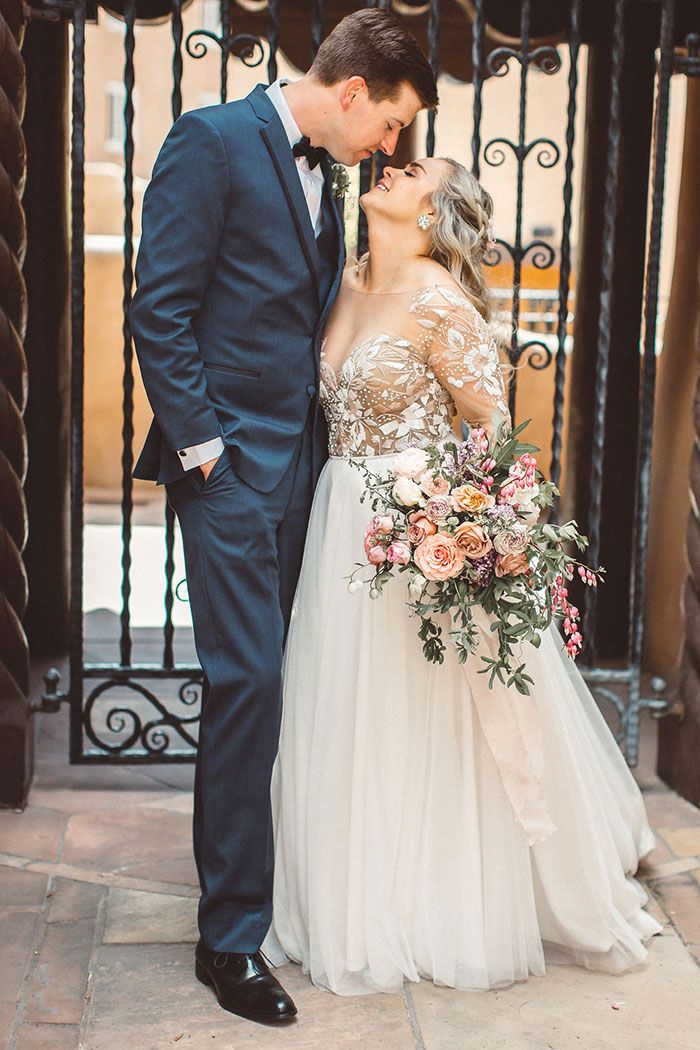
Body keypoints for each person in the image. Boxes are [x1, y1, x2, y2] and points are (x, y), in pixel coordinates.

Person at [267, 157, 663, 995]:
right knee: (343, 705)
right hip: (340, 517)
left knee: (422, 717)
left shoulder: (441, 302)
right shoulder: (342, 276)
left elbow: (493, 431)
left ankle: (429, 900)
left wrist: (470, 532)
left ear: (434, 210)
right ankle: (343, 889)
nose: (393, 166)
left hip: (418, 528)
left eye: (416, 170)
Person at [129, 9, 438, 1026]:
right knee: (248, 682)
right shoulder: (210, 143)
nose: (389, 146)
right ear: (352, 94)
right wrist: (205, 446)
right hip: (226, 475)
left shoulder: (333, 178)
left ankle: (293, 895)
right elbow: (159, 306)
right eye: (390, 124)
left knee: (298, 682)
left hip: (306, 472)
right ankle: (230, 942)